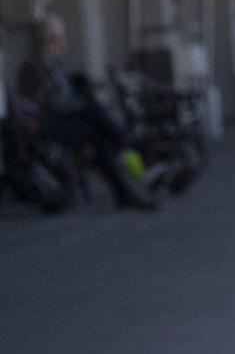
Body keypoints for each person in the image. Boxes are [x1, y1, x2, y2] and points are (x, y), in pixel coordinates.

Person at [16, 14, 155, 209]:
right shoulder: (38, 65)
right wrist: (83, 102)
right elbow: (53, 102)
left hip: (56, 120)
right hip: (48, 123)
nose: (64, 41)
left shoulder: (50, 63)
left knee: (101, 136)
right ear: (52, 39)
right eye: (61, 36)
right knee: (97, 119)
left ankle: (124, 188)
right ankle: (127, 145)